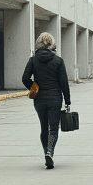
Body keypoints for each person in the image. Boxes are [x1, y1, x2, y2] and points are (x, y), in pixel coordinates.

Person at [22, 32, 71, 168]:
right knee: (54, 128)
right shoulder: (58, 61)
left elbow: (25, 78)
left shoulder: (33, 60)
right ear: (52, 44)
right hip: (55, 98)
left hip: (39, 100)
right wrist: (67, 101)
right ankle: (50, 152)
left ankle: (46, 152)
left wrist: (33, 87)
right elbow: (64, 83)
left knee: (44, 127)